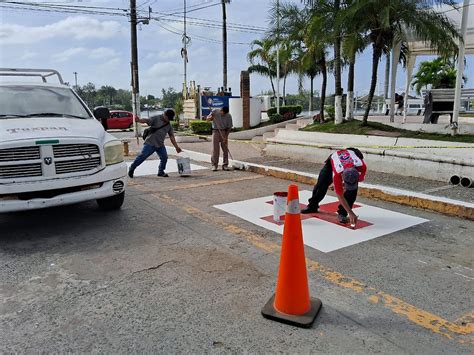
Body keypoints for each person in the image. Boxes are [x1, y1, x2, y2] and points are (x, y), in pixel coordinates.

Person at [301, 148, 367, 225]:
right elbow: (340, 195)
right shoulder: (338, 173)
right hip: (333, 160)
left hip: (351, 156)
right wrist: (351, 213)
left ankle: (343, 213)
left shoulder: (362, 167)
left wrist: (346, 185)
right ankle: (312, 206)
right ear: (342, 176)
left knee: (352, 191)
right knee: (321, 184)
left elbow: (358, 180)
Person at [128, 109, 182, 178]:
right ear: (164, 115)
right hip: (150, 143)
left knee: (164, 157)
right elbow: (147, 120)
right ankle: (132, 168)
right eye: (168, 118)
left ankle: (161, 171)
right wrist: (139, 120)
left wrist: (176, 147)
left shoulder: (168, 125)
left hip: (160, 145)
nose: (169, 120)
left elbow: (172, 137)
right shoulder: (156, 118)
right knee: (142, 157)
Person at [206, 106, 233, 171]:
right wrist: (211, 118)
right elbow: (207, 119)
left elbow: (229, 127)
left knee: (225, 149)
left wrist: (226, 136)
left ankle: (225, 165)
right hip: (215, 131)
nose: (223, 114)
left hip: (224, 131)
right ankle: (214, 165)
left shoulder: (228, 116)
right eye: (222, 113)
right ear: (220, 110)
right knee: (215, 149)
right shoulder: (214, 111)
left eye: (224, 114)